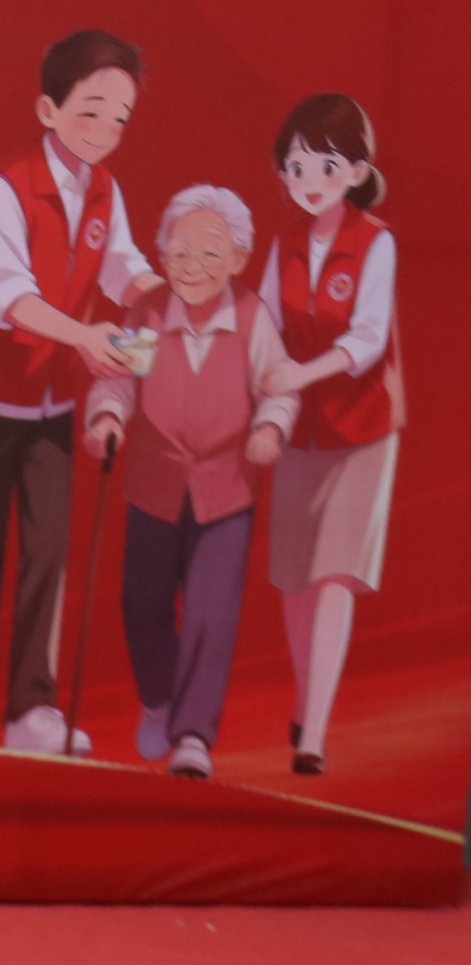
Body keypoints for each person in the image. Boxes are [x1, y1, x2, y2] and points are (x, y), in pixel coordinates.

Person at [0, 30, 153, 755]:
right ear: (48, 109)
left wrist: (171, 295)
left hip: (56, 404)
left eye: (119, 118)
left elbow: (122, 266)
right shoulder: (4, 189)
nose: (104, 131)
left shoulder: (105, 190)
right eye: (90, 112)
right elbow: (8, 297)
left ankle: (32, 705)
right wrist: (85, 336)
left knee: (49, 552)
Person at [83, 185, 291, 779]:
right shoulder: (149, 313)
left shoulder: (251, 317)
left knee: (209, 614)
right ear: (162, 256)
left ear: (238, 260)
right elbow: (119, 382)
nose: (191, 266)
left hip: (226, 492)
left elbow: (278, 386)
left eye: (209, 253)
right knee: (142, 605)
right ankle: (159, 700)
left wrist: (271, 428)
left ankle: (194, 734)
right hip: (155, 485)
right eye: (179, 253)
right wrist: (107, 417)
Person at [252, 93, 403, 777]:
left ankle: (313, 731)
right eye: (296, 167)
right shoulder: (283, 244)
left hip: (362, 428)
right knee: (294, 579)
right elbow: (264, 325)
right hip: (298, 427)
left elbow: (368, 339)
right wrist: (269, 391)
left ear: (357, 171)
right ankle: (305, 693)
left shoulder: (377, 242)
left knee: (336, 574)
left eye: (326, 166)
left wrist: (301, 373)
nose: (309, 180)